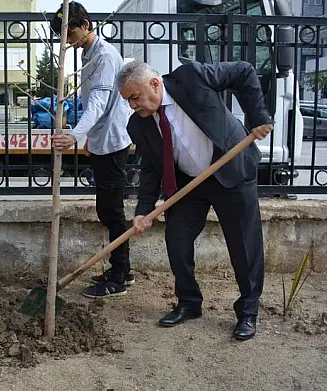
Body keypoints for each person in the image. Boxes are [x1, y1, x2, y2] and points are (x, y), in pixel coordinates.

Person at [116, 59, 273, 340]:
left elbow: (243, 72)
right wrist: (143, 211)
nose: (132, 105)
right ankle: (189, 302)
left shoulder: (192, 78)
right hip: (189, 183)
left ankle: (248, 311)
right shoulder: (137, 126)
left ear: (154, 83)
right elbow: (152, 169)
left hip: (231, 168)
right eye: (128, 100)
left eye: (134, 97)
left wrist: (257, 117)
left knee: (244, 244)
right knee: (177, 239)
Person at [50, 1, 135, 298]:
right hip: (102, 141)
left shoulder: (106, 56)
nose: (65, 40)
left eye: (69, 32)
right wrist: (89, 140)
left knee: (110, 211)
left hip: (113, 142)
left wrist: (75, 135)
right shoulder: (89, 54)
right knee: (109, 210)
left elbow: (100, 103)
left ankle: (120, 277)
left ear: (85, 24)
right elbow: (97, 104)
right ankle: (123, 268)